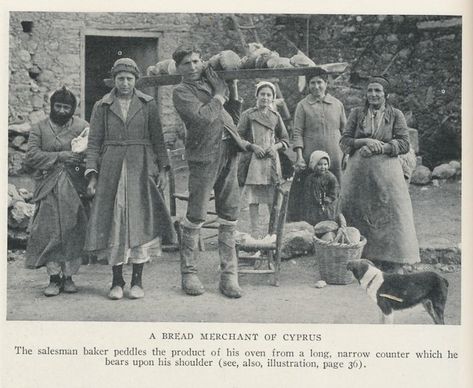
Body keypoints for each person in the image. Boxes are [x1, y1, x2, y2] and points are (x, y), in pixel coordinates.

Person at [85, 58, 174, 300]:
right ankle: (116, 281)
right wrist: (92, 175)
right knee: (115, 222)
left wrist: (163, 170)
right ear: (113, 80)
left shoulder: (148, 104)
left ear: (136, 80)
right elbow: (93, 143)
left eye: (129, 79)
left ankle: (137, 281)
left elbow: (158, 140)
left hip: (141, 167)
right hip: (111, 171)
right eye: (120, 78)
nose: (125, 83)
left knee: (140, 219)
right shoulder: (102, 106)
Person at [172, 45, 253, 298]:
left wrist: (232, 86)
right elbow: (203, 119)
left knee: (229, 215)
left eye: (196, 61)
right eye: (187, 63)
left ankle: (229, 276)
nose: (193, 67)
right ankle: (189, 273)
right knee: (196, 215)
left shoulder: (211, 83)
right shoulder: (181, 91)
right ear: (179, 68)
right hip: (204, 157)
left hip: (229, 152)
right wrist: (219, 95)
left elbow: (232, 118)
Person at [339, 75, 420, 271]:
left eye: (378, 91)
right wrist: (364, 142)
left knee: (390, 211)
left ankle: (392, 258)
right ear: (366, 94)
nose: (373, 94)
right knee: (357, 210)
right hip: (358, 173)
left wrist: (381, 148)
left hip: (386, 173)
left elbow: (403, 143)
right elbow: (344, 141)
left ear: (386, 95)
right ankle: (359, 255)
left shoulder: (395, 115)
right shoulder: (357, 114)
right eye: (370, 91)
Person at [24, 86, 89, 296]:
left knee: (72, 229)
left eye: (66, 107)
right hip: (48, 186)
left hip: (74, 186)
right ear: (51, 106)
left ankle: (69, 277)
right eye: (58, 106)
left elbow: (92, 150)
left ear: (73, 109)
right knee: (49, 231)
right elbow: (31, 156)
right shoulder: (39, 128)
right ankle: (53, 278)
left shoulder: (83, 126)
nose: (61, 111)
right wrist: (60, 156)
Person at [287, 68, 346, 222]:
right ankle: (307, 227)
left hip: (334, 157)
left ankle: (336, 225)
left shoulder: (337, 104)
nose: (316, 86)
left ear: (326, 84)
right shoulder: (303, 105)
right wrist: (299, 157)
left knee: (335, 190)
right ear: (308, 85)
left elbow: (345, 132)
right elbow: (297, 132)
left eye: (319, 82)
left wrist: (346, 154)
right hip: (310, 159)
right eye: (312, 83)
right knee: (307, 193)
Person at [237, 81, 290, 238]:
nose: (265, 98)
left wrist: (275, 147)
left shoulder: (275, 116)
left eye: (269, 95)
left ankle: (272, 233)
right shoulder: (248, 114)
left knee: (272, 198)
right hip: (253, 161)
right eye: (262, 94)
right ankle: (254, 233)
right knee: (254, 198)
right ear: (257, 96)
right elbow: (238, 137)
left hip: (271, 161)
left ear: (273, 98)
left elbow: (286, 138)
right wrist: (253, 147)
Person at [302, 150, 340, 226]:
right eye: (319, 164)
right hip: (313, 204)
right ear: (314, 165)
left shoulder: (331, 177)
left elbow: (335, 189)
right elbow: (307, 191)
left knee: (327, 218)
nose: (323, 167)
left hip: (326, 204)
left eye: (325, 164)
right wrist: (308, 200)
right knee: (313, 219)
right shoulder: (310, 178)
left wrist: (330, 198)